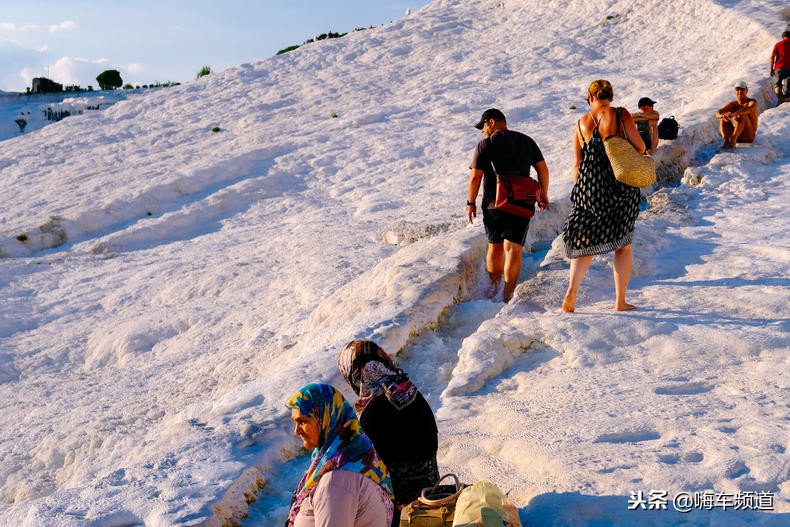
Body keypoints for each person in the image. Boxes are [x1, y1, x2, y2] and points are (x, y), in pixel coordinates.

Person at [561, 80, 644, 313]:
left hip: (589, 187)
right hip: (619, 186)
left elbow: (577, 164)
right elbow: (638, 146)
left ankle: (571, 292)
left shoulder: (580, 123)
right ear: (611, 96)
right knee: (623, 245)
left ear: (590, 98)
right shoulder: (619, 114)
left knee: (585, 242)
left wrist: (582, 192)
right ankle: (620, 301)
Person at [338, 340, 439, 526]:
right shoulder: (411, 392)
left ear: (354, 374)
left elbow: (364, 472)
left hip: (402, 514)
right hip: (434, 499)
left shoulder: (370, 413)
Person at [466, 108, 550, 302]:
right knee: (514, 249)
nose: (482, 131)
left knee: (495, 248)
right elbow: (543, 170)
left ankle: (494, 289)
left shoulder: (484, 145)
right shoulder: (526, 141)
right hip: (522, 201)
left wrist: (470, 203)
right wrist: (543, 194)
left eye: (483, 126)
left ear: (492, 122)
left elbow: (475, 178)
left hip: (493, 204)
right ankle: (507, 296)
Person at [285, 382, 394, 527]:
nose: (296, 431)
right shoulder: (351, 459)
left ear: (325, 418)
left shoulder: (337, 480)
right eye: (295, 422)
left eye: (303, 421)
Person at [715, 80, 758, 149]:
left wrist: (734, 114)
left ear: (746, 90)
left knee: (740, 115)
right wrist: (721, 116)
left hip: (748, 137)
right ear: (734, 91)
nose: (740, 91)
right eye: (737, 89)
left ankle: (732, 142)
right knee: (724, 117)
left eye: (742, 89)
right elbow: (719, 112)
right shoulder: (734, 104)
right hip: (738, 136)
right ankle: (726, 141)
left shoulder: (752, 102)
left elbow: (749, 109)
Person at [770, 29, 790, 102]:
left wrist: (771, 68)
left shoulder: (778, 44)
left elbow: (772, 57)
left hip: (779, 68)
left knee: (777, 85)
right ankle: (786, 99)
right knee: (788, 88)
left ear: (783, 37)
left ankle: (780, 100)